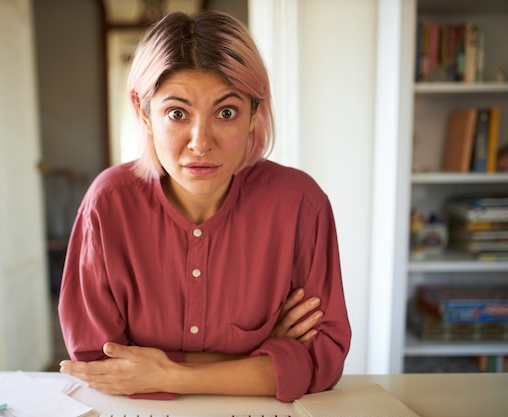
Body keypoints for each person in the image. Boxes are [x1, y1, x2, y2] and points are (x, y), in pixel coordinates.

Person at [58, 10, 351, 402]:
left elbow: (322, 360)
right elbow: (100, 362)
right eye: (177, 113)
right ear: (144, 113)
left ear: (254, 115)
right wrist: (258, 359)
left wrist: (169, 374)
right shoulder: (107, 205)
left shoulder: (300, 204)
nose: (200, 142)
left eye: (226, 113)